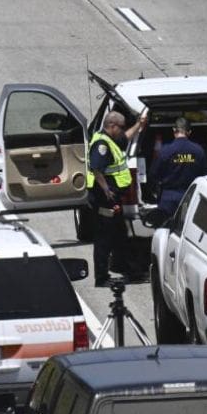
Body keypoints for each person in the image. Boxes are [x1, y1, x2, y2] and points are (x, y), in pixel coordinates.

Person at [88, 108, 147, 287]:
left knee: (120, 234)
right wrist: (106, 189)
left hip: (112, 198)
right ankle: (102, 277)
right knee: (104, 238)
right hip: (105, 198)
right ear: (112, 126)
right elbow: (96, 169)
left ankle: (129, 271)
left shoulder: (111, 139)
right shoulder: (101, 145)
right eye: (121, 127)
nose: (122, 130)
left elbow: (125, 138)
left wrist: (139, 124)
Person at [152, 118, 207, 226]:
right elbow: (204, 174)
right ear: (189, 132)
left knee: (165, 229)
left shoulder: (165, 150)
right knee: (185, 228)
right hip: (189, 196)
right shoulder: (198, 150)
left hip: (168, 197)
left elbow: (154, 174)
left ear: (174, 130)